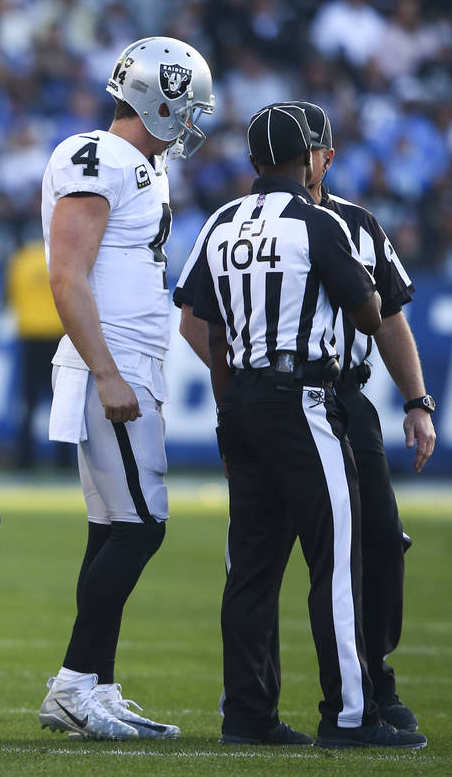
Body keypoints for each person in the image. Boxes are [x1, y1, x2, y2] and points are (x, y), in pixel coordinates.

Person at [175, 100, 435, 738]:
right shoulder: (323, 225)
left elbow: (204, 328)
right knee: (338, 559)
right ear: (313, 157)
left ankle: (248, 712)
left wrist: (233, 398)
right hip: (307, 396)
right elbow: (375, 314)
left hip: (247, 400)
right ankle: (352, 710)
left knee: (253, 563)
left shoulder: (221, 220)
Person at [36, 36, 214, 742]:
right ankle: (76, 683)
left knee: (113, 528)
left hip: (124, 360)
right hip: (112, 364)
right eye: (187, 107)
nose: (192, 123)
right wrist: (108, 370)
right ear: (160, 100)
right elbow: (66, 274)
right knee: (143, 526)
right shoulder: (100, 155)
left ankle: (96, 687)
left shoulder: (138, 164)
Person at [5, 239, 71, 469]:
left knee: (29, 401)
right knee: (63, 400)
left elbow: (12, 297)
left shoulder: (21, 260)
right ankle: (64, 458)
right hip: (58, 334)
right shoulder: (61, 256)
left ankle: (26, 456)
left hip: (31, 335)